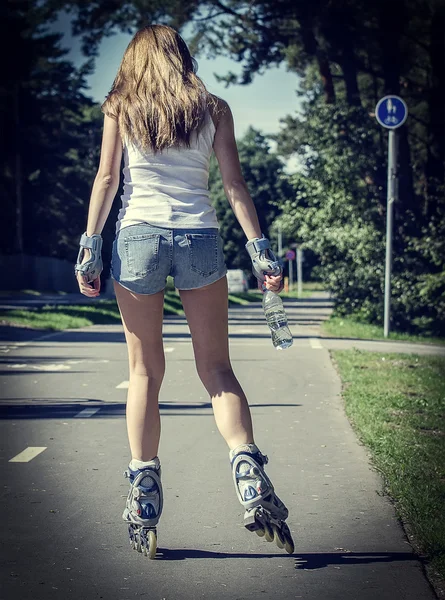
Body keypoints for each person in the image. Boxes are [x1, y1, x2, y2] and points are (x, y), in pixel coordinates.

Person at [75, 24, 293, 559]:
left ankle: (144, 495)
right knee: (216, 369)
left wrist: (89, 247)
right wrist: (261, 251)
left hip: (138, 237)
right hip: (200, 236)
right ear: (183, 56)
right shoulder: (214, 108)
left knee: (145, 371)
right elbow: (234, 185)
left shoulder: (120, 106)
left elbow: (106, 180)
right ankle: (247, 469)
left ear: (135, 61)